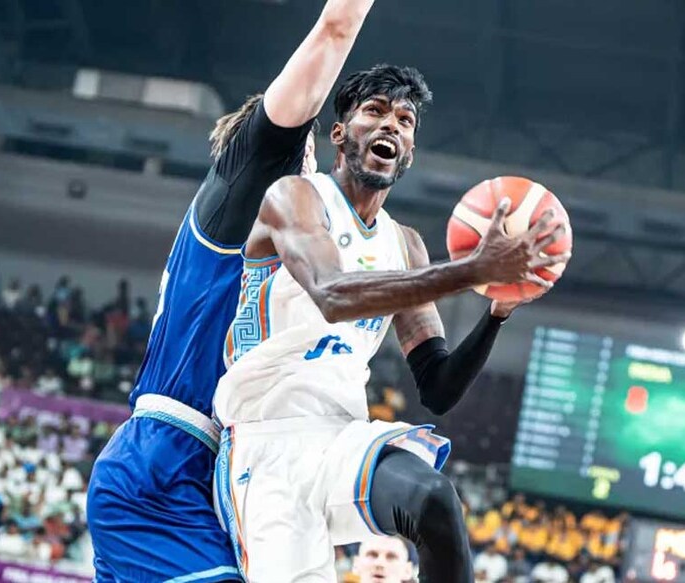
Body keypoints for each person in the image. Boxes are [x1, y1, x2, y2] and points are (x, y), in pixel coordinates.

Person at [213, 64, 567, 582]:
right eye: (375, 112)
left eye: (404, 121)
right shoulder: (295, 197)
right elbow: (333, 294)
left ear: (410, 153)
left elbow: (438, 387)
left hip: (341, 438)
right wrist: (471, 270)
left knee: (434, 499)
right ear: (340, 133)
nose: (391, 126)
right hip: (266, 447)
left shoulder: (406, 245)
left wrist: (498, 309)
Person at [85, 1, 381, 581]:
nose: (320, 181)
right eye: (312, 156)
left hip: (218, 476)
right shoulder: (241, 190)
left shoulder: (280, 253)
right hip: (164, 465)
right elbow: (334, 28)